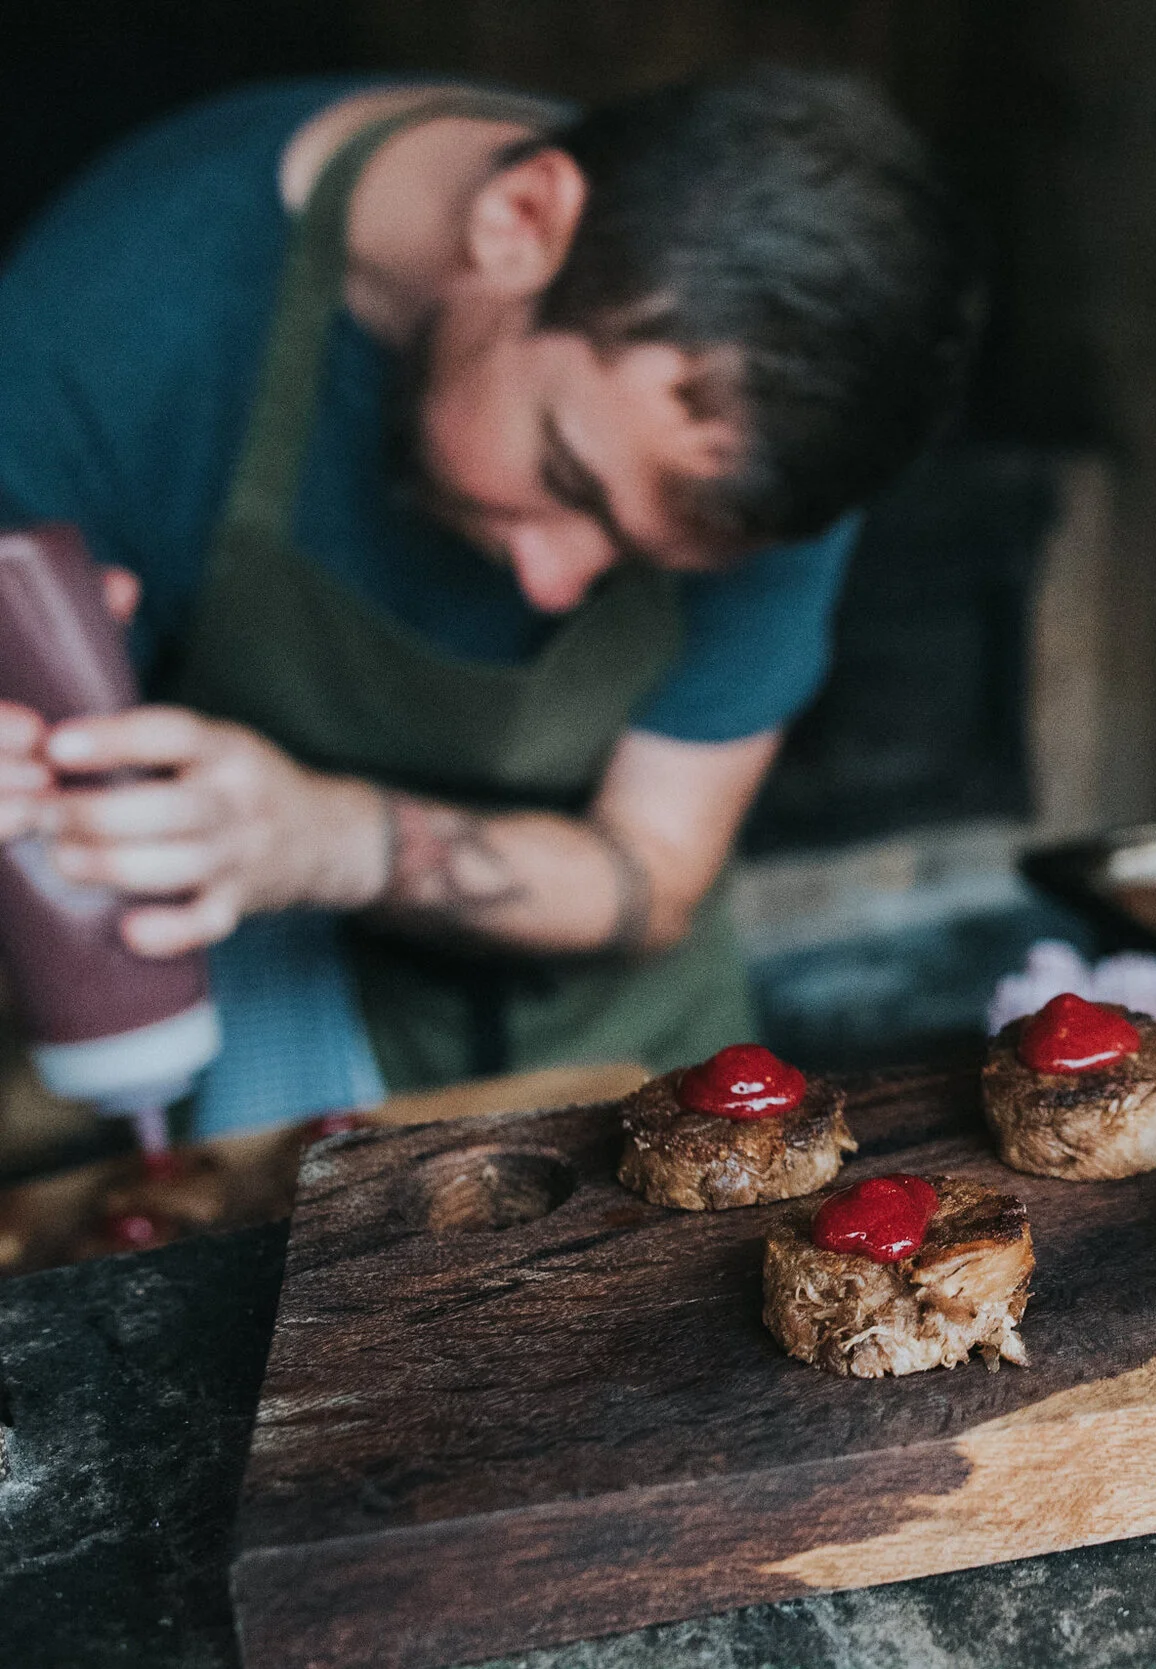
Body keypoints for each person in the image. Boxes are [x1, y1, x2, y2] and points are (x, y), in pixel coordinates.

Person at [0, 68, 979, 1132]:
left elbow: (654, 866)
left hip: (628, 1063)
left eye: (644, 560)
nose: (553, 584)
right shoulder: (104, 324)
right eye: (566, 479)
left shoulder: (782, 401)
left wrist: (329, 837)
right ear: (519, 222)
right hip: (267, 1033)